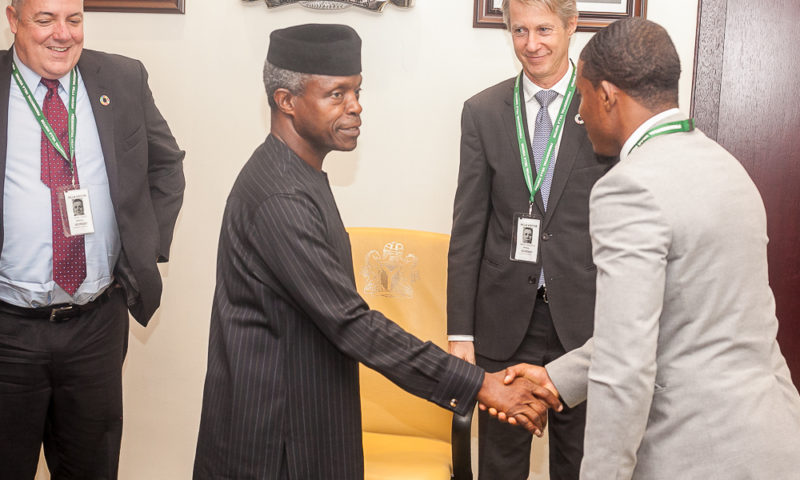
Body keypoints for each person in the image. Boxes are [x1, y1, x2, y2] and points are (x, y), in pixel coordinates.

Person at [192, 23, 560, 479]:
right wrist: (479, 384)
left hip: (308, 420)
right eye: (337, 95)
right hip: (276, 438)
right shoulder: (279, 197)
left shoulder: (297, 175)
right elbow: (352, 323)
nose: (356, 107)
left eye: (357, 91)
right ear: (286, 101)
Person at [505, 17, 800, 479]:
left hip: (696, 453)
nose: (580, 115)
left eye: (582, 96)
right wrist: (559, 378)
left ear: (607, 95)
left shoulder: (629, 187)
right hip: (774, 442)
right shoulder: (727, 167)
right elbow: (680, 322)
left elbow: (626, 365)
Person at [0, 0, 185, 478]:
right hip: (7, 329)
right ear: (13, 20)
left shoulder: (122, 80)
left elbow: (165, 165)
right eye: (44, 20)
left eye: (74, 19)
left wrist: (145, 247)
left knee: (91, 468)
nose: (62, 34)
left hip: (95, 326)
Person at [446, 0, 614, 477]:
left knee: (580, 463)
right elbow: (468, 227)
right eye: (519, 31)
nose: (532, 44)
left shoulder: (603, 105)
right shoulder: (482, 111)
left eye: (544, 29)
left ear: (572, 25)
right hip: (502, 319)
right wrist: (461, 332)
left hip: (585, 322)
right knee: (499, 464)